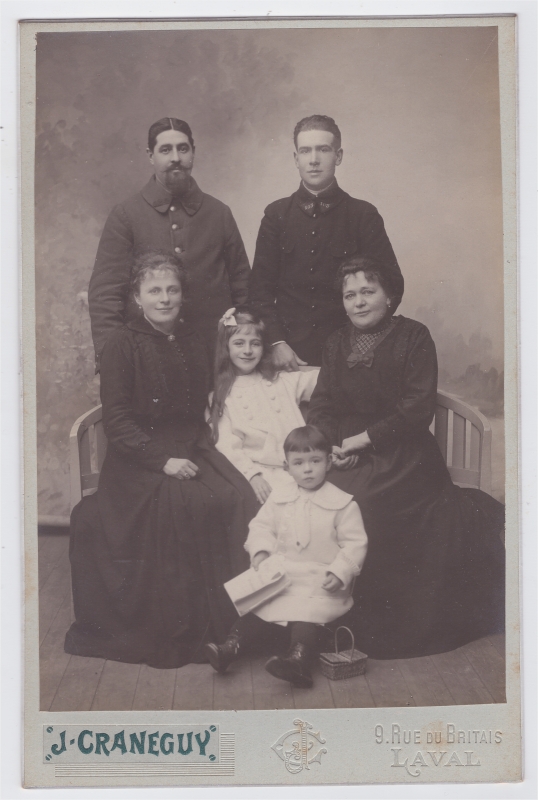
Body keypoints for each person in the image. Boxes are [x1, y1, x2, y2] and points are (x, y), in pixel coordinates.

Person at [307, 256, 506, 660]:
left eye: (368, 291)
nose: (359, 302)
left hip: (403, 452)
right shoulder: (334, 342)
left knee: (363, 505)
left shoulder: (415, 336)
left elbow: (417, 410)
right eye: (350, 295)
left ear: (390, 296)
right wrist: (330, 445)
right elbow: (322, 403)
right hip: (345, 449)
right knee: (318, 502)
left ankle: (374, 629)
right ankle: (316, 626)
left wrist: (361, 440)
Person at [65, 253, 258, 669]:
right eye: (154, 290)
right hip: (139, 460)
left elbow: (221, 385)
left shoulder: (193, 338)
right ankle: (193, 629)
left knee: (238, 496)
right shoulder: (121, 343)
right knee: (188, 504)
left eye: (172, 289)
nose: (165, 298)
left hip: (193, 444)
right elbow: (117, 422)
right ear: (137, 297)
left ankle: (238, 628)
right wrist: (162, 461)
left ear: (183, 295)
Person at [204, 425, 368, 688]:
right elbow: (261, 527)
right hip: (284, 573)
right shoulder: (279, 497)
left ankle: (298, 660)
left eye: (315, 461)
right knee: (258, 603)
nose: (307, 469)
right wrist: (260, 550)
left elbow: (355, 543)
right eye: (298, 463)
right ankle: (230, 647)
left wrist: (340, 572)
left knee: (307, 612)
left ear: (328, 463)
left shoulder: (343, 504)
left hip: (320, 577)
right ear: (287, 467)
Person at [88, 117, 250, 370]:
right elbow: (106, 294)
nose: (175, 157)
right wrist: (114, 360)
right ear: (150, 156)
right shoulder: (126, 215)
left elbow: (243, 287)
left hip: (213, 353)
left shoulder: (219, 213)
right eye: (165, 150)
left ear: (193, 153)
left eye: (183, 149)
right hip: (147, 357)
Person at [249, 114, 403, 370]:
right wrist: (276, 343)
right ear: (295, 158)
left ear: (338, 156)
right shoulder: (276, 216)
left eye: (323, 149)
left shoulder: (363, 215)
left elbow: (392, 286)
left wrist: (361, 342)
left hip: (350, 356)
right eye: (305, 151)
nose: (314, 160)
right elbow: (259, 292)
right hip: (287, 356)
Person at [209, 306, 320, 504]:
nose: (248, 351)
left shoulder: (281, 380)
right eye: (239, 343)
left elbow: (323, 380)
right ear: (226, 348)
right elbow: (227, 444)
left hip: (303, 464)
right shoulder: (221, 396)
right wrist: (252, 475)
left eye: (255, 344)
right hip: (265, 474)